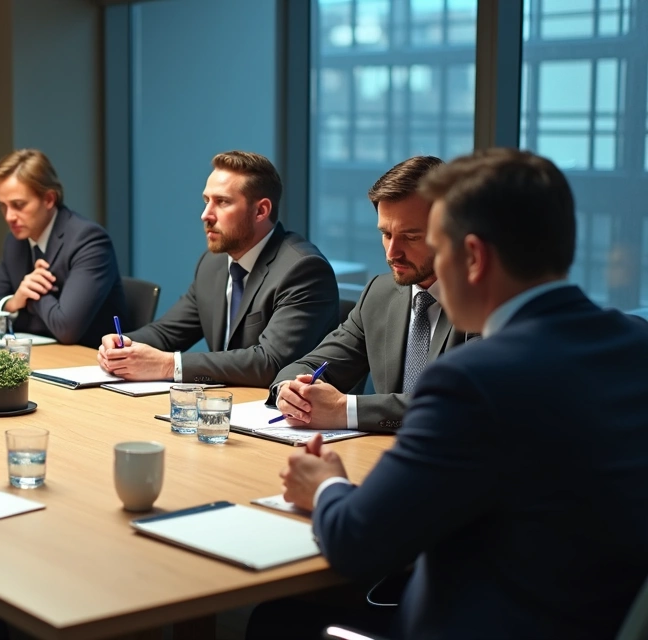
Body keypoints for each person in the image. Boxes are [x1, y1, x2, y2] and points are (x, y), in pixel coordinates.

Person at [280, 149, 648, 638]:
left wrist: (324, 484)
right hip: (594, 618)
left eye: (434, 243)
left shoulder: (475, 380)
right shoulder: (637, 343)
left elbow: (356, 542)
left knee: (278, 623)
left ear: (472, 257)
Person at [268, 156, 475, 431]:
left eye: (411, 237)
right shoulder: (380, 292)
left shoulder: (485, 302)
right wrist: (290, 391)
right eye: (386, 234)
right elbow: (315, 363)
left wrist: (344, 410)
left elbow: (460, 402)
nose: (392, 253)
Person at [98, 151, 338, 387]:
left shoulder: (304, 270)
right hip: (222, 402)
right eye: (206, 201)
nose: (205, 215)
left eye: (222, 202)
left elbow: (271, 362)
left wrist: (170, 365)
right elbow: (167, 333)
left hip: (278, 407)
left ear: (260, 211)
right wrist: (123, 345)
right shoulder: (213, 263)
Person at [0, 149, 126, 348]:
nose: (9, 216)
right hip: (47, 356)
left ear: (49, 199)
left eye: (18, 205)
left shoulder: (88, 240)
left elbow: (67, 329)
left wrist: (34, 294)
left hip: (91, 359)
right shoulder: (16, 243)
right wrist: (13, 303)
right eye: (3, 206)